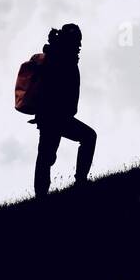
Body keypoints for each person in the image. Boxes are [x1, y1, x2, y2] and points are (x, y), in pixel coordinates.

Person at [31, 24, 97, 197]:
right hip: (55, 116)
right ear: (70, 40)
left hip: (53, 116)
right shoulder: (60, 58)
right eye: (77, 41)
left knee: (46, 156)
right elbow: (53, 89)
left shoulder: (58, 56)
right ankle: (78, 182)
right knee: (48, 155)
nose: (79, 46)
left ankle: (41, 195)